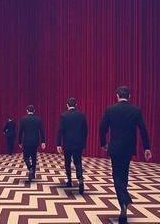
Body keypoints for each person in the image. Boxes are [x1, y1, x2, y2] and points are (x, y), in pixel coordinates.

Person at [99, 86, 152, 223]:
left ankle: (124, 202)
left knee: (116, 176)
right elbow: (143, 130)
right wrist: (147, 148)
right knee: (124, 174)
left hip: (115, 148)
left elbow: (102, 128)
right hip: (128, 149)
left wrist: (103, 143)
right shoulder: (136, 110)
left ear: (117, 95)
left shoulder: (110, 110)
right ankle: (124, 202)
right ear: (130, 96)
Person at [57, 97, 88, 194]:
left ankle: (69, 181)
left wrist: (58, 144)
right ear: (76, 105)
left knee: (67, 162)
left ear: (67, 105)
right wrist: (83, 142)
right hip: (78, 144)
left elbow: (60, 131)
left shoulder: (64, 115)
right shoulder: (82, 115)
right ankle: (80, 179)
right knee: (78, 162)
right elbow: (85, 130)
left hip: (67, 144)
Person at [18, 105, 46, 181]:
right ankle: (33, 174)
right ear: (34, 111)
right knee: (34, 158)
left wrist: (19, 141)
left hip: (26, 141)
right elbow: (42, 131)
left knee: (25, 157)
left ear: (27, 110)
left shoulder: (23, 119)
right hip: (35, 141)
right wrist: (43, 141)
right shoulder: (38, 119)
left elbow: (20, 131)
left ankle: (29, 168)